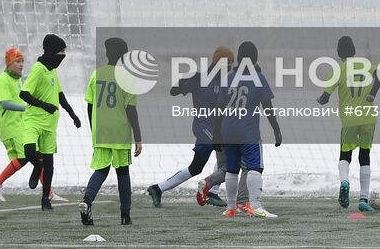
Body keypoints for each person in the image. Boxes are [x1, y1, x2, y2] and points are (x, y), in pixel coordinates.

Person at [148, 45, 232, 209]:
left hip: (218, 128)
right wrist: (182, 83)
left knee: (197, 167)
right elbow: (174, 91)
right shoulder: (200, 78)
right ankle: (212, 191)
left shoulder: (226, 80)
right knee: (225, 154)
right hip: (203, 127)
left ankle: (158, 188)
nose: (230, 68)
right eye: (228, 64)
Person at [78, 37, 143, 227]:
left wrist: (94, 129)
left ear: (107, 54)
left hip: (101, 130)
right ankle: (125, 215)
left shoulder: (96, 74)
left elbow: (90, 106)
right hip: (119, 131)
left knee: (101, 169)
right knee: (123, 171)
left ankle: (87, 200)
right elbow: (131, 110)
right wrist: (138, 138)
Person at [317, 34, 380, 213]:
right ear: (354, 50)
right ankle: (363, 198)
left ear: (339, 53)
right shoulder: (366, 64)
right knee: (365, 156)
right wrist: (372, 94)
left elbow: (325, 97)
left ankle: (345, 181)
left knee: (345, 154)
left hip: (349, 120)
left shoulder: (338, 70)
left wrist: (320, 99)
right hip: (369, 118)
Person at [20, 33, 82, 210]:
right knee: (29, 152)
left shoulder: (52, 70)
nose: (62, 56)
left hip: (50, 124)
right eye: (60, 52)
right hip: (33, 119)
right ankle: (36, 166)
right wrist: (44, 105)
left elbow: (60, 95)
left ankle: (45, 199)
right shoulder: (38, 69)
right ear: (51, 51)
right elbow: (24, 93)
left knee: (50, 163)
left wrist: (72, 114)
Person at [220, 41, 282, 219]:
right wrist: (276, 129)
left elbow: (218, 106)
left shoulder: (228, 78)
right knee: (255, 167)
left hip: (228, 130)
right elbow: (267, 106)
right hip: (248, 131)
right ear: (255, 59)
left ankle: (231, 207)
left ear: (239, 58)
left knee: (232, 169)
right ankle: (255, 206)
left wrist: (217, 133)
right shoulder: (258, 77)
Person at [0, 47, 28, 202]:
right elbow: (5, 103)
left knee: (38, 155)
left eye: (22, 61)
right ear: (9, 63)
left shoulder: (18, 79)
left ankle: (48, 192)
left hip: (20, 124)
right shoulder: (3, 79)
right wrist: (25, 107)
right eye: (17, 61)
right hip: (10, 126)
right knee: (27, 156)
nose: (21, 64)